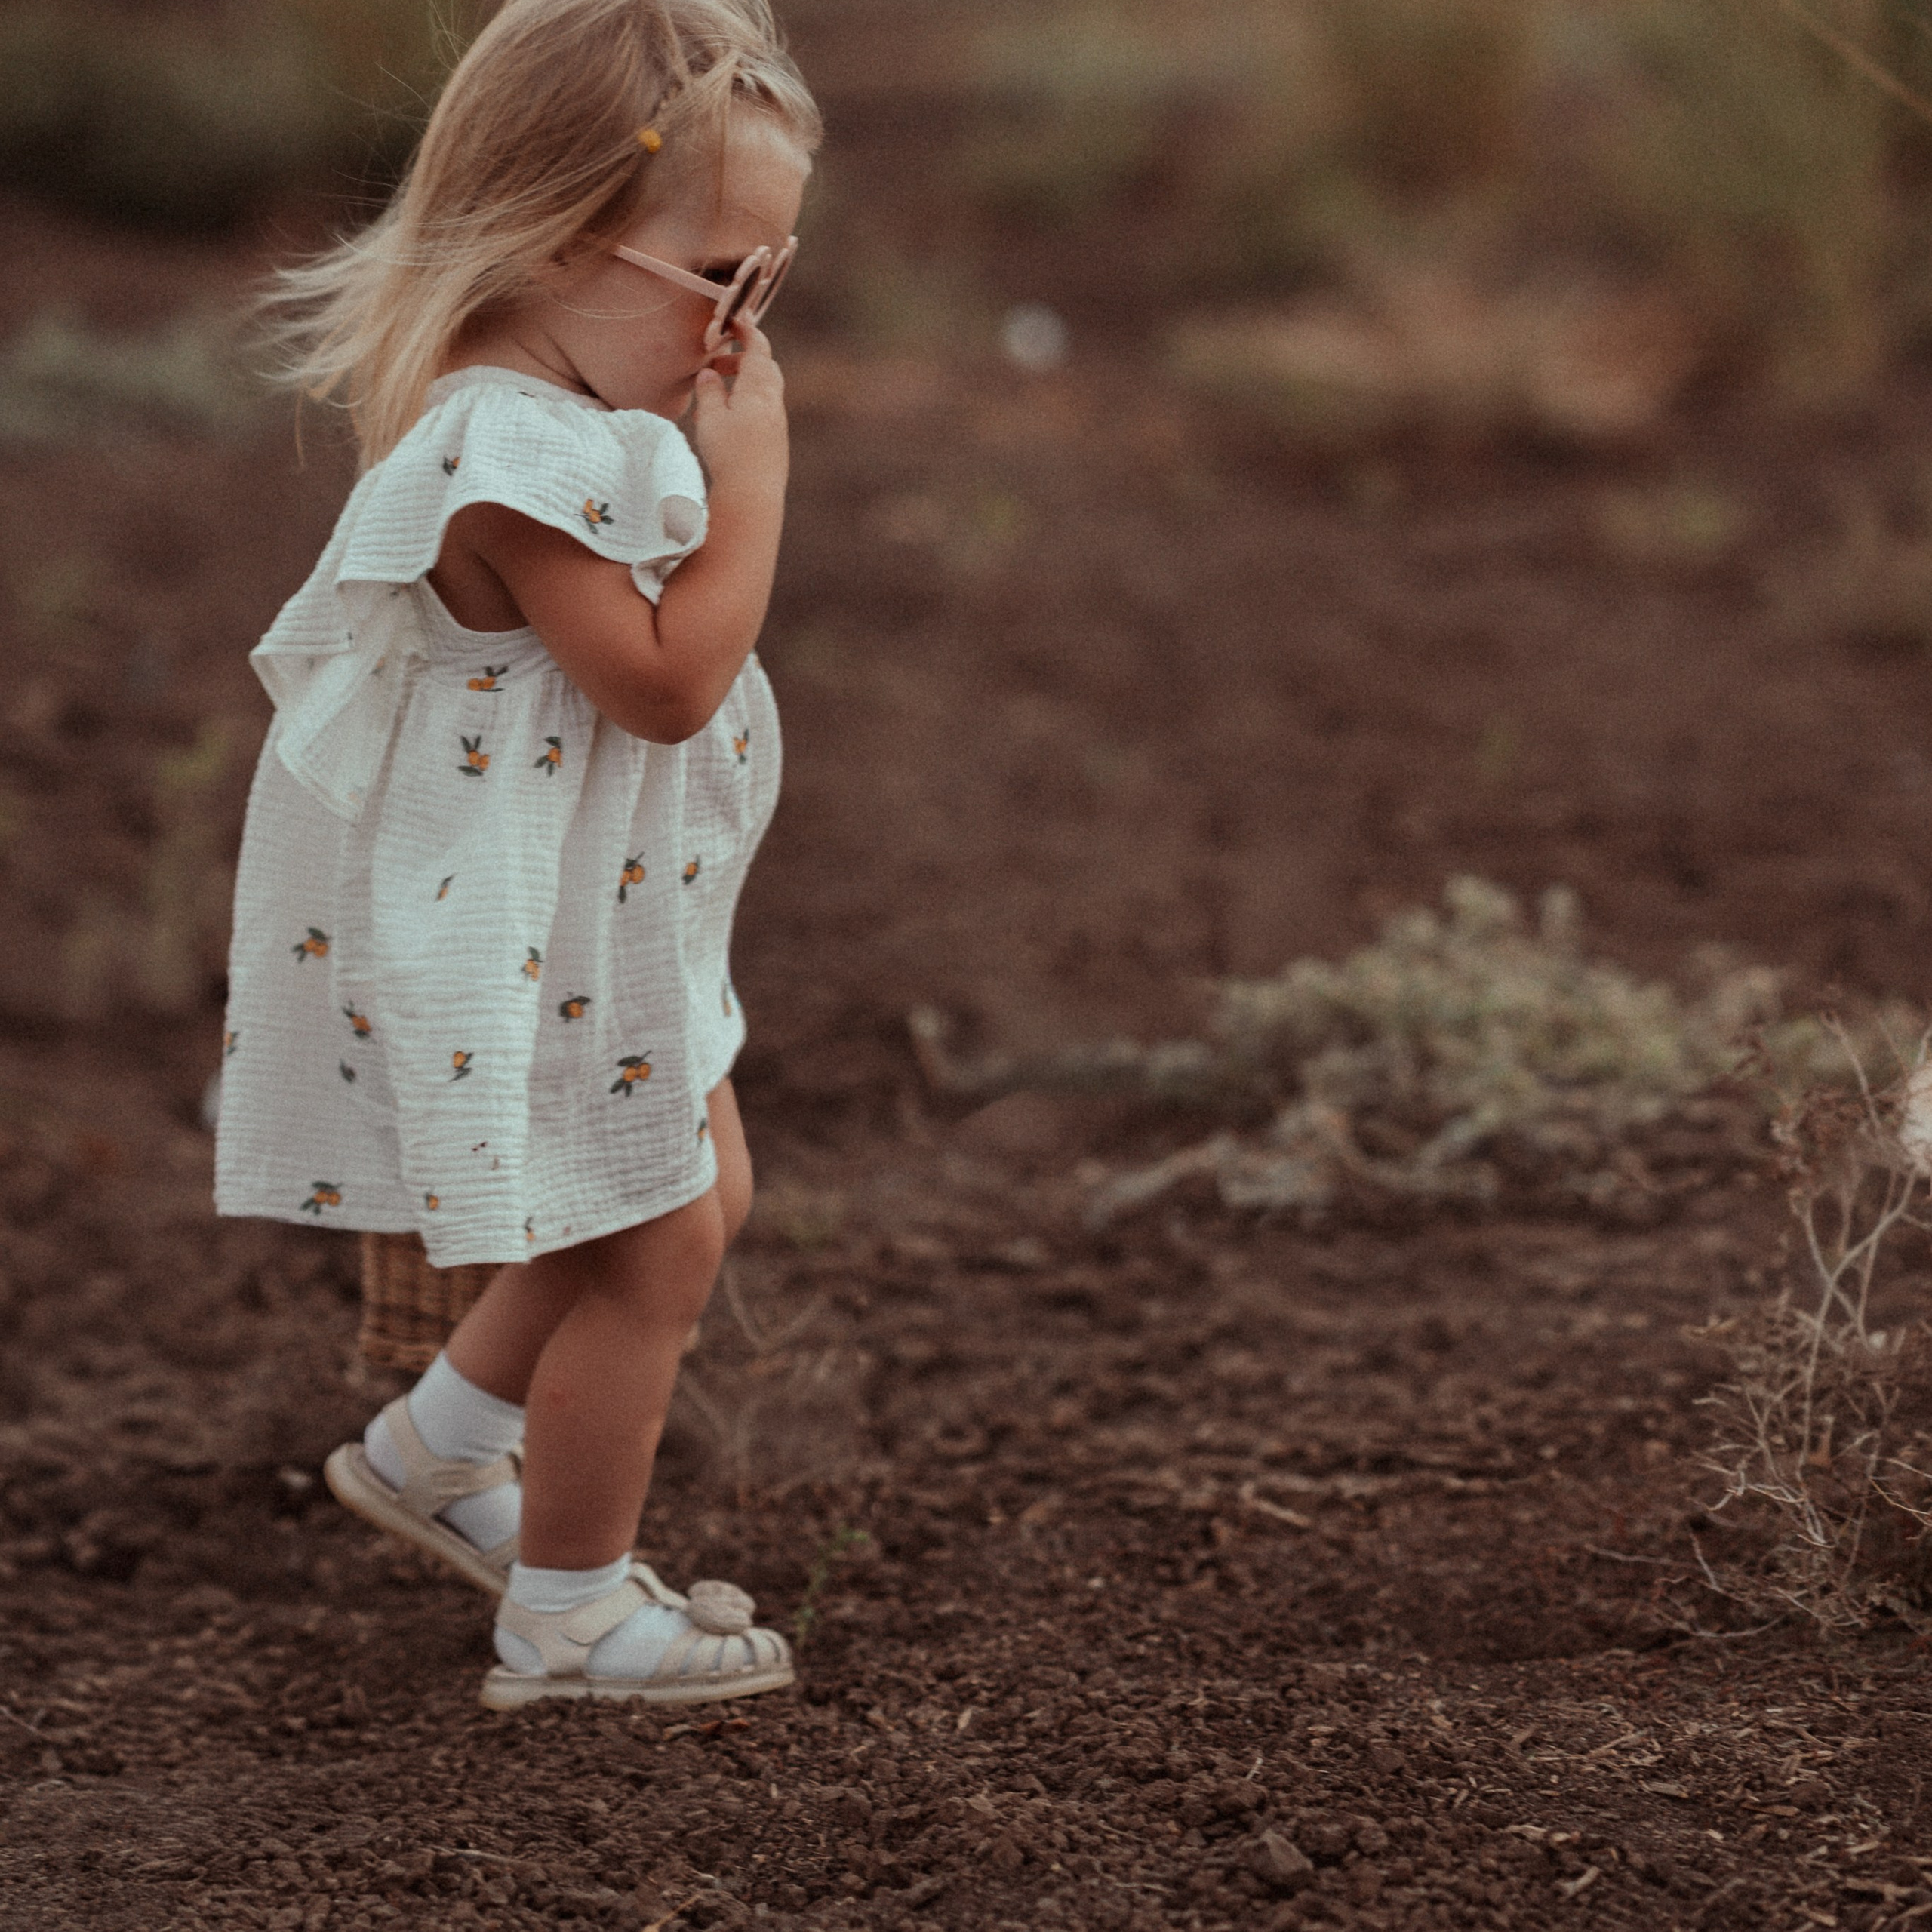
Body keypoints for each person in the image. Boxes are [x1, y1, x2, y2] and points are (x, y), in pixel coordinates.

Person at [213, 0, 820, 1709]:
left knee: (699, 1187)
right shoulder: (508, 447)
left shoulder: (566, 410)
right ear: (564, 239)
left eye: (771, 280)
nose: (744, 332)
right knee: (659, 1234)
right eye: (725, 277)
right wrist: (753, 471)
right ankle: (561, 1612)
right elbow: (666, 681)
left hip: (599, 904)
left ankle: (441, 1442)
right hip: (524, 920)